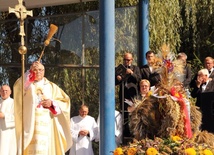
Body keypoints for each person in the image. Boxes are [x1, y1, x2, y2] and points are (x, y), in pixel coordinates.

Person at [13, 61, 72, 155]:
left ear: (44, 71)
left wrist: (52, 103)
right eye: (35, 70)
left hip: (48, 124)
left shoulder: (52, 87)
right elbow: (18, 90)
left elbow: (65, 102)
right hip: (31, 124)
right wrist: (28, 75)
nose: (38, 72)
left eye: (40, 70)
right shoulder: (27, 84)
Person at [115, 52, 141, 138]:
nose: (126, 61)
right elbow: (114, 83)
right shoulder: (119, 68)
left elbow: (139, 79)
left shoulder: (135, 68)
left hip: (133, 95)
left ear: (132, 60)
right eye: (125, 60)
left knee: (133, 114)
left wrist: (131, 73)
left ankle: (133, 134)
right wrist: (118, 79)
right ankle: (124, 135)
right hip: (123, 95)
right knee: (124, 115)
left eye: (128, 60)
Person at [0, 85, 17, 155]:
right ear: (0, 92)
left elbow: (17, 118)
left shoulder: (14, 103)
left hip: (8, 134)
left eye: (6, 91)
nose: (4, 92)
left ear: (10, 92)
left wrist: (4, 116)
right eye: (2, 91)